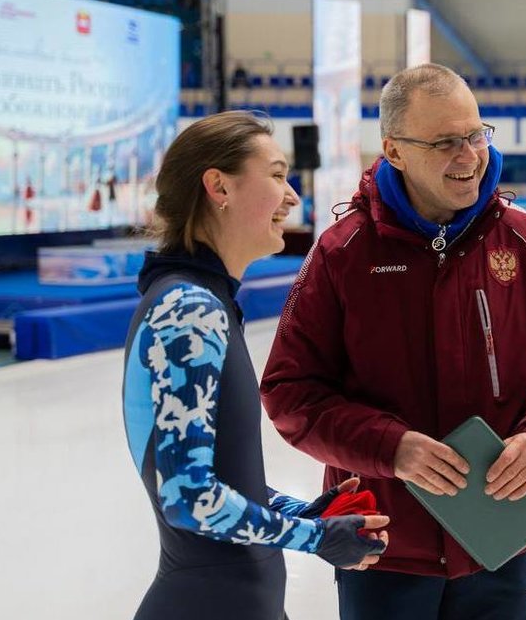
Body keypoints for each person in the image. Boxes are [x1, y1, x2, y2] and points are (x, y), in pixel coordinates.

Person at [260, 63, 526, 620]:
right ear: (394, 151)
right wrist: (390, 448)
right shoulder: (344, 254)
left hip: (501, 540)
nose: (469, 156)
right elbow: (289, 392)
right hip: (384, 547)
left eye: (475, 135)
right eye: (445, 142)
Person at [121, 111, 390, 620]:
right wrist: (315, 537)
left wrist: (300, 510)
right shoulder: (188, 310)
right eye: (276, 175)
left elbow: (221, 476)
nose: (292, 197)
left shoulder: (203, 302)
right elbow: (188, 497)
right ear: (219, 187)